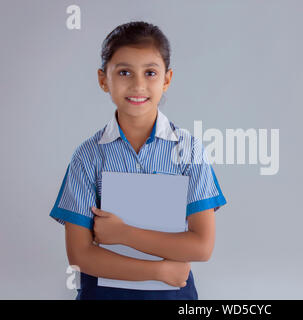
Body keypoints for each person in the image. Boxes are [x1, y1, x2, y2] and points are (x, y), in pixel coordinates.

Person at [49, 21, 227, 300]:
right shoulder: (88, 156)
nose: (138, 84)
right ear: (103, 79)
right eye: (124, 72)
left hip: (172, 295)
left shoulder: (189, 151)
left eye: (150, 73)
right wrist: (158, 271)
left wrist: (123, 233)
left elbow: (202, 246)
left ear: (167, 79)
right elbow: (80, 255)